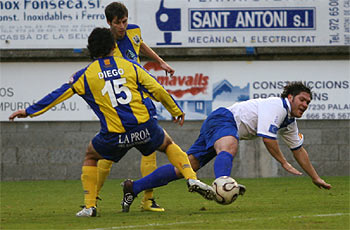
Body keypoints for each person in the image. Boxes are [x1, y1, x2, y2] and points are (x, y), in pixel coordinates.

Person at [8, 27, 215, 217]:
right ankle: (190, 177)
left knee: (91, 155)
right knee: (168, 144)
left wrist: (29, 111)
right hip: (144, 127)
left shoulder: (84, 75)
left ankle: (90, 206)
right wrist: (175, 110)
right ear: (114, 46)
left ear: (91, 49)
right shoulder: (130, 66)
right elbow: (157, 89)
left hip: (115, 136)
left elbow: (57, 95)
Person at [120, 81, 332, 206]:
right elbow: (268, 138)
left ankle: (133, 187)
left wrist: (315, 177)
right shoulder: (277, 105)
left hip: (219, 123)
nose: (305, 105)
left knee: (187, 166)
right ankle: (222, 182)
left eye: (308, 103)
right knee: (230, 145)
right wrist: (284, 163)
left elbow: (299, 150)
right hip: (224, 119)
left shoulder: (290, 122)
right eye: (302, 100)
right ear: (290, 97)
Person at [96, 1, 175, 212]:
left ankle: (147, 200)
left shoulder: (134, 30)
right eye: (117, 23)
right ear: (108, 23)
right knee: (108, 154)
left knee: (150, 149)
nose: (122, 26)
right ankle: (91, 200)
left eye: (124, 21)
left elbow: (140, 43)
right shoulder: (105, 46)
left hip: (141, 100)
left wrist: (160, 61)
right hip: (120, 107)